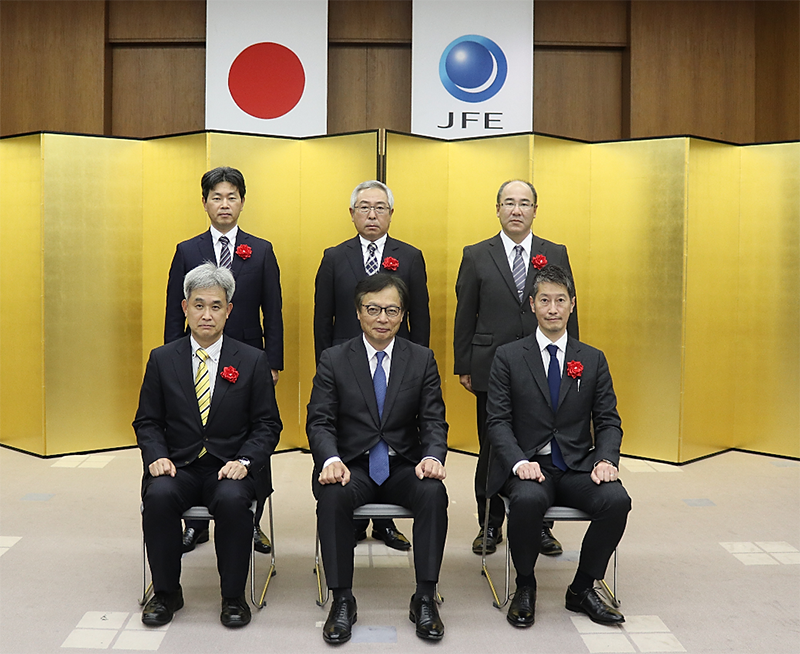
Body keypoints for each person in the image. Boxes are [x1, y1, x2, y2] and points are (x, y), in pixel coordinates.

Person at [134, 263, 282, 628]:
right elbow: (147, 421)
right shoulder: (162, 359)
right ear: (184, 308)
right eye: (198, 305)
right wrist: (157, 456)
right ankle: (167, 593)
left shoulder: (251, 359)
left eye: (216, 306)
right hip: (179, 464)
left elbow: (268, 424)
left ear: (229, 310)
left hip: (231, 465)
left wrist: (246, 461)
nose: (206, 314)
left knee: (233, 500)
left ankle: (232, 596)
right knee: (159, 496)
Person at [486, 264, 630, 628]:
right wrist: (518, 462)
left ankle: (581, 589)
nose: (553, 308)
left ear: (572, 305)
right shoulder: (508, 356)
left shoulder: (592, 359)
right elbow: (497, 422)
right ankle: (525, 584)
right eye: (545, 300)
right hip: (529, 465)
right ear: (532, 304)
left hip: (578, 465)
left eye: (560, 301)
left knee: (616, 501)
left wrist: (605, 460)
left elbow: (609, 420)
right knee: (528, 499)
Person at [307, 273, 448, 644]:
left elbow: (433, 418)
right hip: (351, 464)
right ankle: (342, 599)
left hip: (403, 464)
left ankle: (425, 596)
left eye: (391, 310)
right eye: (373, 309)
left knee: (433, 494)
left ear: (402, 316)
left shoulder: (421, 359)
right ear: (358, 313)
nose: (382, 318)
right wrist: (330, 460)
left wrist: (432, 456)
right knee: (334, 496)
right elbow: (319, 420)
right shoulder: (335, 359)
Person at [453, 179, 579, 556]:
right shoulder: (477, 254)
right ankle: (489, 524)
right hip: (491, 365)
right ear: (497, 209)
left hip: (546, 366)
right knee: (493, 445)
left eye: (524, 203)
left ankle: (541, 525)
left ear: (535, 210)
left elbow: (569, 308)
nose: (516, 210)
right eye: (509, 203)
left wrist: (574, 361)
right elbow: (465, 313)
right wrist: (464, 363)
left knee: (544, 442)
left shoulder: (554, 251)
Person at [164, 166, 283, 555]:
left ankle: (251, 520)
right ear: (204, 203)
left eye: (232, 196)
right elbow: (172, 312)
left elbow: (274, 310)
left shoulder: (261, 249)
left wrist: (273, 361)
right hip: (196, 358)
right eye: (217, 197)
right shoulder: (187, 250)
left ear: (243, 202)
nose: (224, 204)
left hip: (247, 361)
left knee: (252, 435)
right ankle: (195, 525)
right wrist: (172, 364)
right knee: (196, 434)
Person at [313, 180, 430, 551]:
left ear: (391, 214)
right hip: (347, 367)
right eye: (364, 207)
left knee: (392, 436)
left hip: (396, 367)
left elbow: (421, 320)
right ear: (352, 214)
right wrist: (324, 363)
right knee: (358, 438)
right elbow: (323, 317)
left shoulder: (409, 256)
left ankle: (385, 523)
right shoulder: (334, 256)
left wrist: (416, 367)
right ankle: (351, 518)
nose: (372, 214)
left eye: (380, 208)